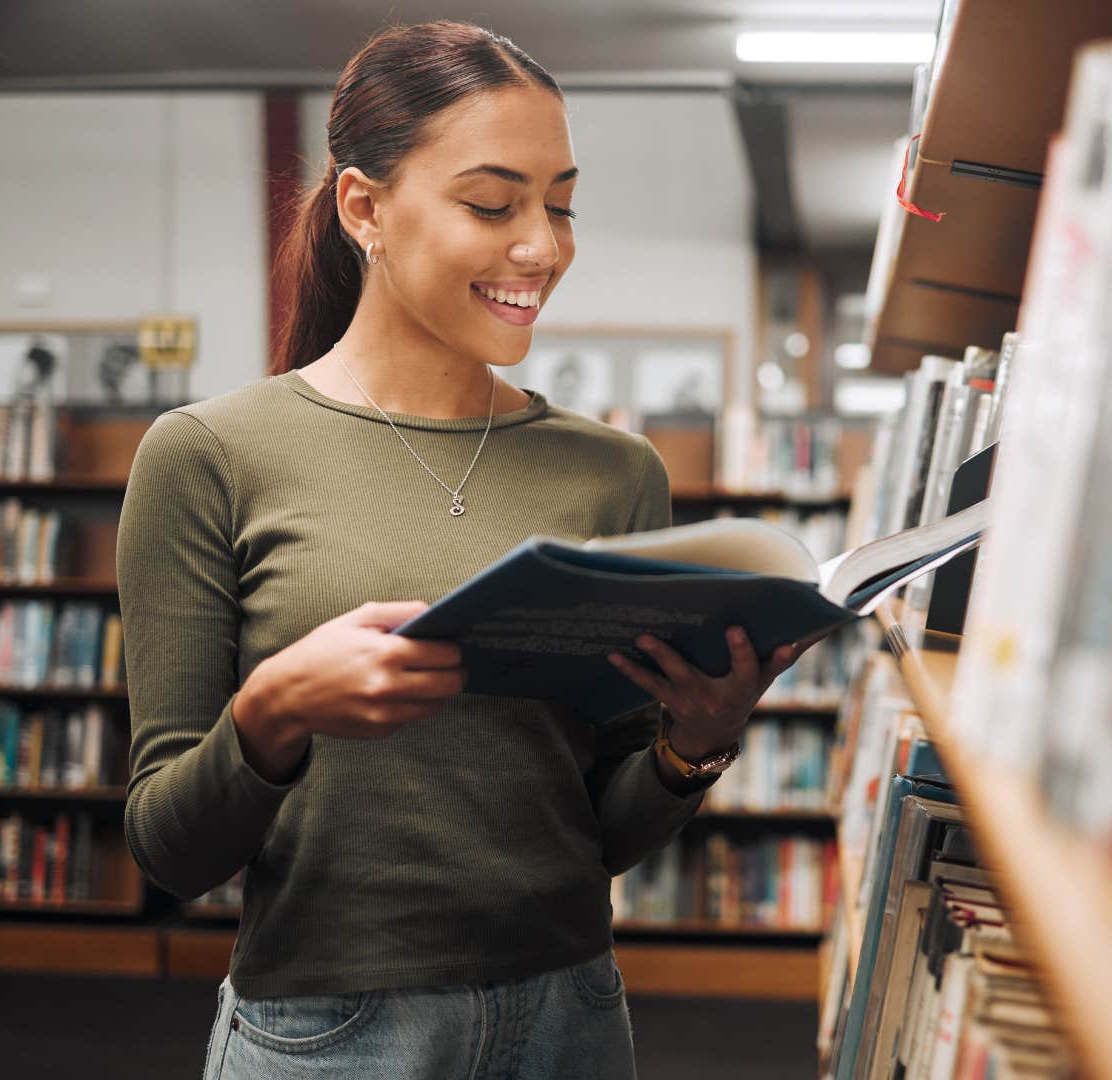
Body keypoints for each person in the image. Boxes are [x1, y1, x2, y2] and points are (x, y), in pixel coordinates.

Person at [115, 20, 814, 1080]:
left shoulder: (613, 474)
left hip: (574, 1014)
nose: (542, 245)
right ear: (365, 209)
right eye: (493, 204)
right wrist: (275, 711)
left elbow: (599, 835)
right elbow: (170, 848)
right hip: (330, 1031)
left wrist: (693, 746)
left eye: (561, 203)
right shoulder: (210, 456)